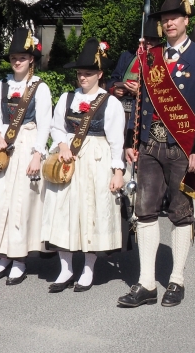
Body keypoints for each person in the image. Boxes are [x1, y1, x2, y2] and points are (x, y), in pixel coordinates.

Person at [118, 0, 195, 309]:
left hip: (183, 148)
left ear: (186, 20)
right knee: (144, 210)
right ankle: (147, 283)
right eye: (165, 18)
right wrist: (130, 140)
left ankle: (176, 279)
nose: (170, 22)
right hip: (149, 146)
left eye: (175, 17)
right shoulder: (151, 57)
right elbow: (141, 102)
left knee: (180, 212)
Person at [41, 38, 126, 292]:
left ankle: (88, 269)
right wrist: (62, 145)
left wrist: (118, 172)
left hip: (96, 162)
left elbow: (117, 141)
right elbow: (57, 127)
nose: (83, 78)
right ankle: (65, 269)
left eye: (88, 73)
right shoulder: (67, 98)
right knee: (62, 212)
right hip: (68, 160)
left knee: (91, 213)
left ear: (100, 74)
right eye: (80, 73)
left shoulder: (110, 103)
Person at [0, 28, 52, 285]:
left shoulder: (40, 88)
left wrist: (37, 155)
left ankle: (19, 259)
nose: (17, 61)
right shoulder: (1, 85)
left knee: (20, 203)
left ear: (31, 59)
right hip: (4, 147)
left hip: (27, 145)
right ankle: (3, 255)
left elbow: (45, 124)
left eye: (22, 57)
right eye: (13, 58)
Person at [107, 17, 163, 122]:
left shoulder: (162, 60)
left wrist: (140, 92)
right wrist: (114, 90)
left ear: (158, 41)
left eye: (153, 39)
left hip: (145, 112)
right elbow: (112, 80)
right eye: (146, 38)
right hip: (121, 110)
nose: (148, 42)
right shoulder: (127, 56)